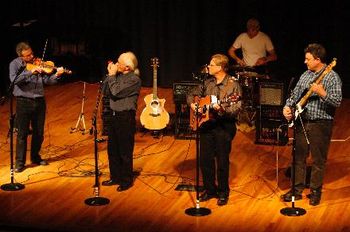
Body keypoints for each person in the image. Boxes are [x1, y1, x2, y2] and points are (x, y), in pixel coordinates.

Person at [281, 43, 342, 206]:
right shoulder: (306, 75)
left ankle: (315, 192)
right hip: (302, 121)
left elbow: (337, 101)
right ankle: (296, 189)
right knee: (298, 157)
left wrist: (321, 92)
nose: (305, 62)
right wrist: (287, 107)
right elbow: (294, 95)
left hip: (320, 124)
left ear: (318, 59)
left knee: (318, 160)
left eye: (308, 59)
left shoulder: (332, 77)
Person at [187, 54, 242, 206]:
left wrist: (221, 109)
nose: (208, 67)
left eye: (211, 65)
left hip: (223, 127)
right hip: (206, 126)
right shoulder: (207, 82)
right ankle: (210, 190)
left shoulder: (233, 85)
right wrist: (193, 105)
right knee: (205, 160)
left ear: (220, 67)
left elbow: (236, 108)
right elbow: (191, 94)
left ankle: (223, 192)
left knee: (222, 161)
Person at [9, 41, 64, 172]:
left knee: (39, 132)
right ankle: (19, 163)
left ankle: (35, 157)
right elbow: (14, 81)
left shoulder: (38, 63)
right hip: (23, 102)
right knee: (22, 133)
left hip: (39, 101)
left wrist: (56, 75)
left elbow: (47, 81)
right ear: (21, 56)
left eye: (31, 53)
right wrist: (30, 72)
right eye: (28, 56)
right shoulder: (15, 64)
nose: (32, 57)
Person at [101, 51, 141, 192]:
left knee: (124, 150)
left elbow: (117, 92)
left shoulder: (134, 80)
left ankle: (126, 180)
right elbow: (106, 91)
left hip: (125, 117)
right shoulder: (116, 76)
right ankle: (115, 177)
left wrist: (112, 77)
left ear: (127, 68)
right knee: (112, 149)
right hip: (113, 115)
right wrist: (109, 76)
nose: (116, 64)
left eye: (119, 63)